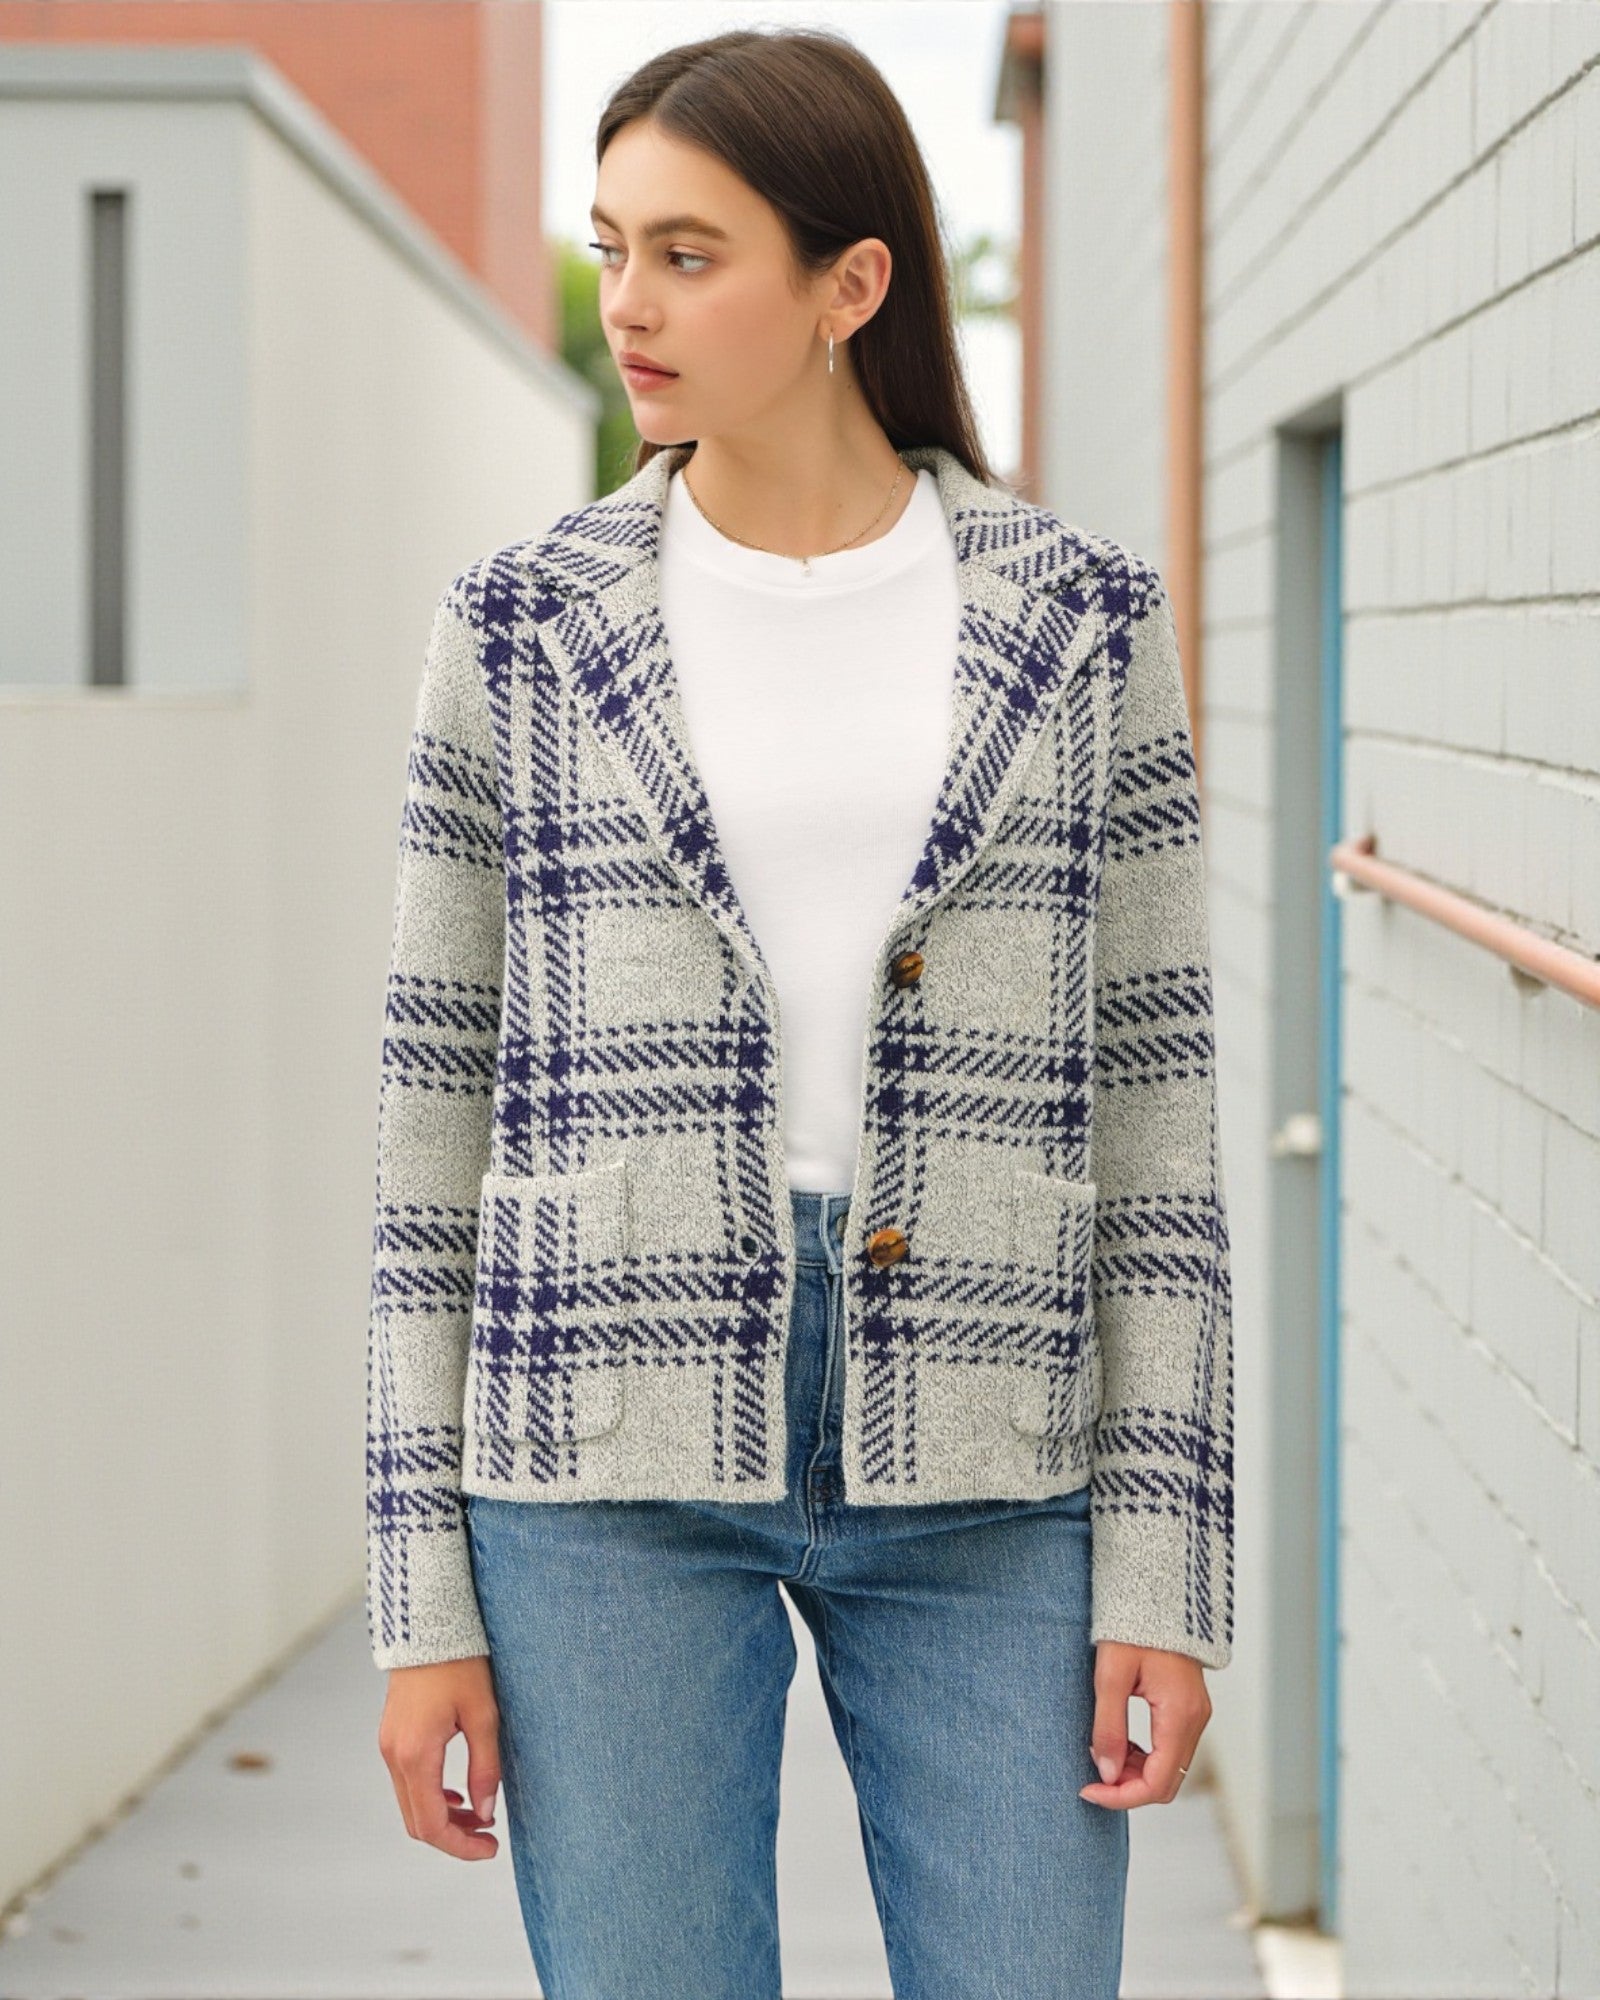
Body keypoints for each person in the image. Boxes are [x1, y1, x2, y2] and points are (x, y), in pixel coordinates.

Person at [369, 25, 1232, 1999]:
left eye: (690, 252)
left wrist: (1163, 1576)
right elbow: (428, 1127)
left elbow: (1160, 1122)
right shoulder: (515, 622)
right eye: (612, 247)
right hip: (600, 1449)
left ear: (852, 285)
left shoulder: (1083, 615)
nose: (631, 303)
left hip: (997, 1451)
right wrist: (422, 1599)